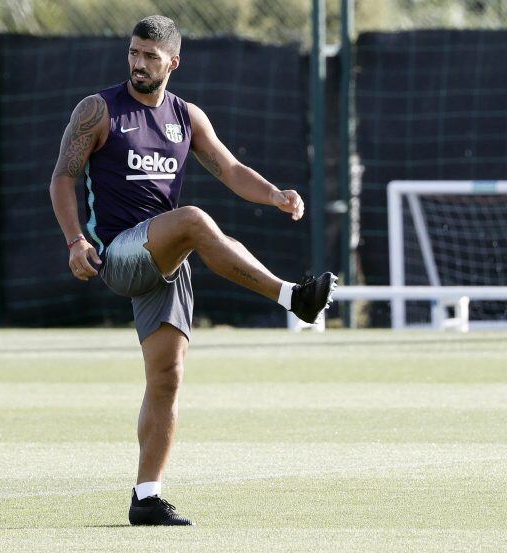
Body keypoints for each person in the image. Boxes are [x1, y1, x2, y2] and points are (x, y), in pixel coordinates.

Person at [49, 15, 336, 526]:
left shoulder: (187, 116)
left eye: (150, 56)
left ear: (173, 63)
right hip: (119, 252)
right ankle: (292, 297)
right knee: (196, 220)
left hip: (167, 257)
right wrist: (75, 241)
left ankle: (147, 497)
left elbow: (228, 169)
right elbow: (62, 179)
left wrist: (276, 195)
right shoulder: (98, 110)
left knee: (167, 378)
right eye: (134, 53)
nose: (138, 63)